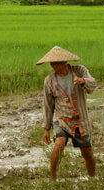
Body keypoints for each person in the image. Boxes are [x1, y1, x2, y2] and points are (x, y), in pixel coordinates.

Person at [37, 46, 97, 180]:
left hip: (81, 119)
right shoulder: (49, 80)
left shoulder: (80, 70)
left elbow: (93, 85)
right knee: (59, 143)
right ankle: (52, 178)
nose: (53, 66)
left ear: (64, 61)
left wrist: (83, 81)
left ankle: (92, 178)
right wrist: (46, 128)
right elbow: (48, 105)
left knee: (87, 152)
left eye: (56, 63)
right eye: (51, 63)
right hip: (62, 119)